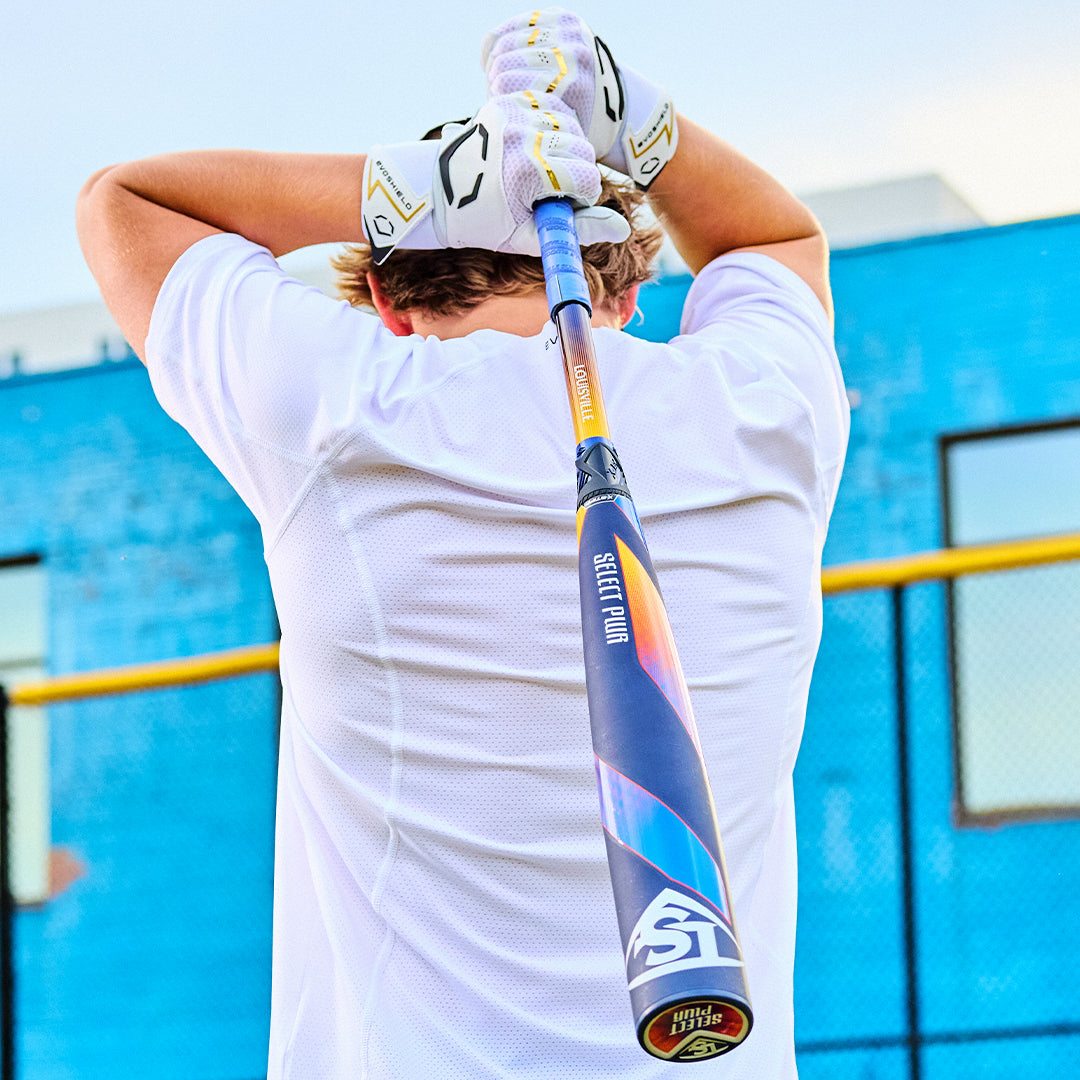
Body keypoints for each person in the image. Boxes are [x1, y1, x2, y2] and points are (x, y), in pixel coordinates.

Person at [76, 8, 848, 1077]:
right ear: (624, 282)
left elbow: (126, 204)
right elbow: (775, 239)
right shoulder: (765, 412)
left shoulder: (343, 408)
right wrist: (632, 117)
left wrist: (415, 182)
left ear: (387, 299)